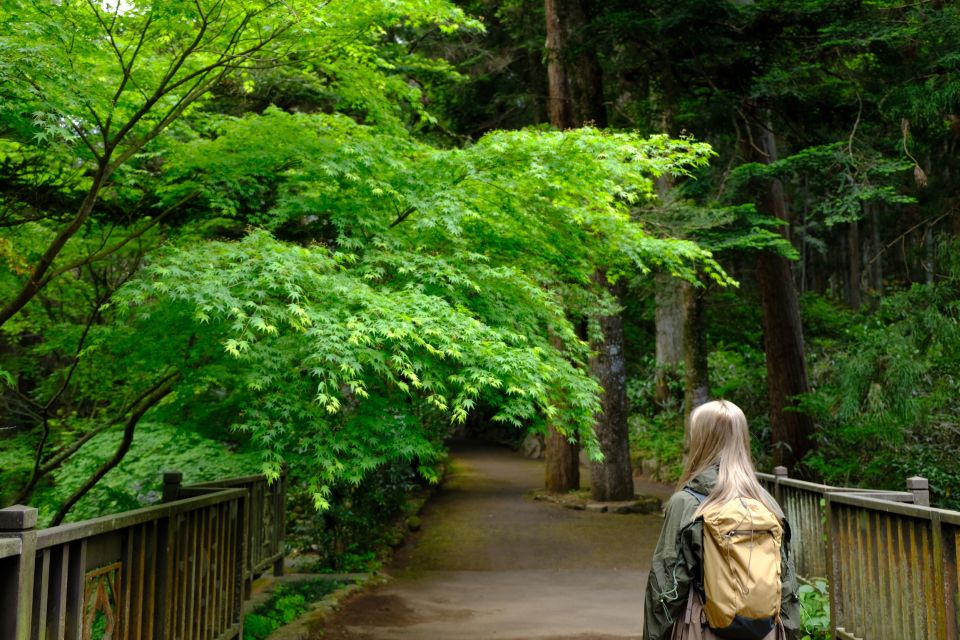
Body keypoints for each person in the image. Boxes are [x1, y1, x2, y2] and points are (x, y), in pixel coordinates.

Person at [642, 400, 800, 640]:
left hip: (702, 629)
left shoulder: (687, 503)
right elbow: (787, 587)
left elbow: (666, 589)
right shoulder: (767, 503)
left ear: (701, 441)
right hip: (766, 633)